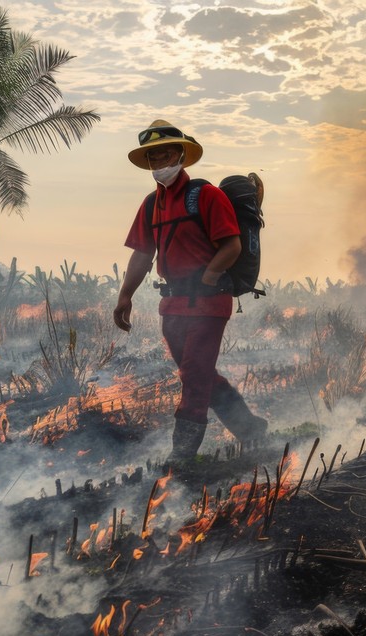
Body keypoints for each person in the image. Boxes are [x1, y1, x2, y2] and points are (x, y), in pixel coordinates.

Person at [112, 120, 267, 462]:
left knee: (195, 376)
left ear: (181, 155)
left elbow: (232, 245)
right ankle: (250, 428)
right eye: (152, 157)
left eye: (165, 154)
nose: (158, 162)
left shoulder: (206, 195)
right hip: (172, 305)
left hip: (209, 303)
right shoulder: (152, 204)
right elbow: (142, 253)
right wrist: (125, 295)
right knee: (199, 373)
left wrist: (210, 276)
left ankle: (181, 456)